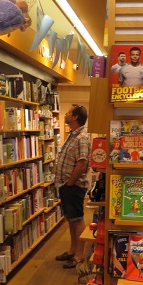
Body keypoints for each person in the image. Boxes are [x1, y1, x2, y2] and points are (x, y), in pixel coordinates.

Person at [54, 104, 91, 268]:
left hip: (73, 186)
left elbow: (82, 164)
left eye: (69, 112)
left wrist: (70, 183)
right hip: (66, 185)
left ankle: (79, 255)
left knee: (77, 220)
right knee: (71, 219)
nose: (66, 114)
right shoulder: (72, 135)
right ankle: (72, 250)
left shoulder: (81, 137)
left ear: (75, 117)